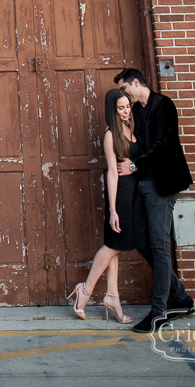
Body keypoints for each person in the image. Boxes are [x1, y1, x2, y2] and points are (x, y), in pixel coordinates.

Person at [114, 67, 195, 332]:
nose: (123, 95)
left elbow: (165, 145)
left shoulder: (163, 105)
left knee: (160, 245)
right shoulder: (136, 112)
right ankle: (181, 298)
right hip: (144, 183)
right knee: (140, 239)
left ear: (136, 82)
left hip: (164, 182)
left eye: (124, 89)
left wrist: (135, 166)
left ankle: (159, 311)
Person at [67, 89, 140, 323]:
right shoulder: (111, 135)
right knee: (113, 246)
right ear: (112, 109)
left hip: (134, 194)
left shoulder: (133, 127)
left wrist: (135, 166)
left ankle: (112, 297)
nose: (126, 110)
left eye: (127, 106)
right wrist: (113, 210)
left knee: (115, 245)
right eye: (121, 108)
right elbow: (111, 173)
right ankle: (85, 291)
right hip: (120, 195)